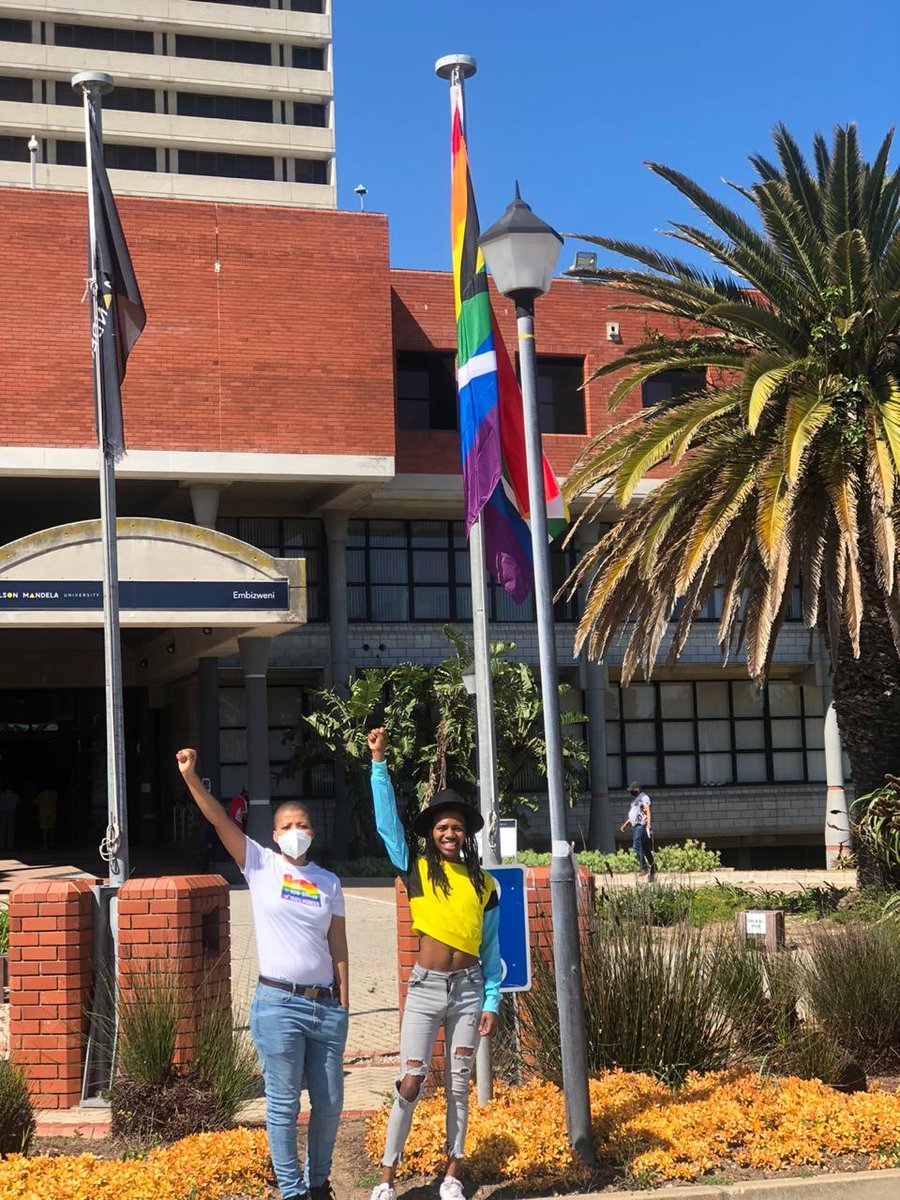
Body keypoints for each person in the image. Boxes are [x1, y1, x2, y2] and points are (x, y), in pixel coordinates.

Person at [176, 748, 348, 1200]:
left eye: (303, 825)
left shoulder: (328, 882)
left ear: (313, 832)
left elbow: (339, 944)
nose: (296, 832)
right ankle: (292, 1191)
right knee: (284, 1103)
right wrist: (192, 777)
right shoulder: (261, 865)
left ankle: (318, 1183)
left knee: (329, 1105)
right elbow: (219, 821)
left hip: (326, 1007)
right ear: (274, 834)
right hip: (279, 1006)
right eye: (287, 826)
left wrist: (344, 1002)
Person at [366, 725, 500, 1200]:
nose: (449, 832)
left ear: (466, 835)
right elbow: (387, 825)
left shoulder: (484, 885)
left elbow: (491, 952)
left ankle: (451, 1176)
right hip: (424, 990)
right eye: (441, 826)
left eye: (456, 827)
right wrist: (379, 763)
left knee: (459, 1085)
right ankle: (386, 1177)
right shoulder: (418, 869)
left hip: (468, 991)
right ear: (432, 832)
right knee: (411, 1081)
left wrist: (492, 1000)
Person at [621, 781, 656, 879]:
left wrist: (648, 824)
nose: (630, 792)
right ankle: (653, 867)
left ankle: (644, 868)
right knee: (645, 849)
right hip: (635, 826)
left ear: (637, 789)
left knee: (636, 847)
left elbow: (647, 811)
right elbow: (634, 814)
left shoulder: (644, 798)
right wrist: (625, 824)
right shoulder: (636, 800)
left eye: (632, 790)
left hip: (641, 826)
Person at [33, 786, 58, 851]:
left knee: (44, 830)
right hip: (52, 813)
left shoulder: (41, 794)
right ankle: (51, 843)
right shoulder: (54, 794)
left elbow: (35, 803)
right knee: (51, 829)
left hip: (43, 813)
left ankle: (45, 844)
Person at [0, 780, 20, 850]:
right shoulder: (15, 795)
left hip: (2, 813)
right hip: (11, 813)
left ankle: (1, 845)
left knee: (2, 830)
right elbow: (18, 804)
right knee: (11, 829)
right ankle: (10, 845)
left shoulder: (2, 795)